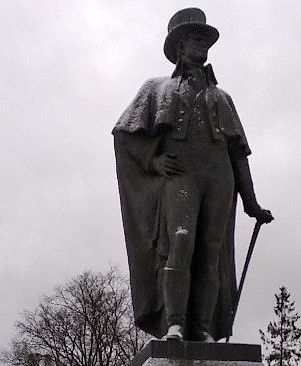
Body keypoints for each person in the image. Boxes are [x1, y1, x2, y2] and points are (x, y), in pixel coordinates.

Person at [114, 7, 273, 343]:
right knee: (181, 242)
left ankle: (202, 328)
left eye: (206, 40)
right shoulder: (157, 90)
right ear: (180, 44)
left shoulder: (222, 97)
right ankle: (175, 323)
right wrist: (154, 163)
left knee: (211, 252)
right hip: (182, 176)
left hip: (219, 179)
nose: (203, 45)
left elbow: (238, 154)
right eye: (196, 39)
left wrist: (252, 203)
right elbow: (125, 136)